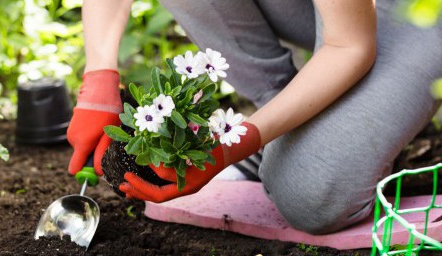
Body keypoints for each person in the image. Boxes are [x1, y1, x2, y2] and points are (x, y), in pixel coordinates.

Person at [66, 0, 442, 234]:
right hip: (329, 10)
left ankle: (324, 136)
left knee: (308, 196)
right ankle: (284, 123)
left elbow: (349, 43)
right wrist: (99, 77)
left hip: (419, 12)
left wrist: (232, 146)